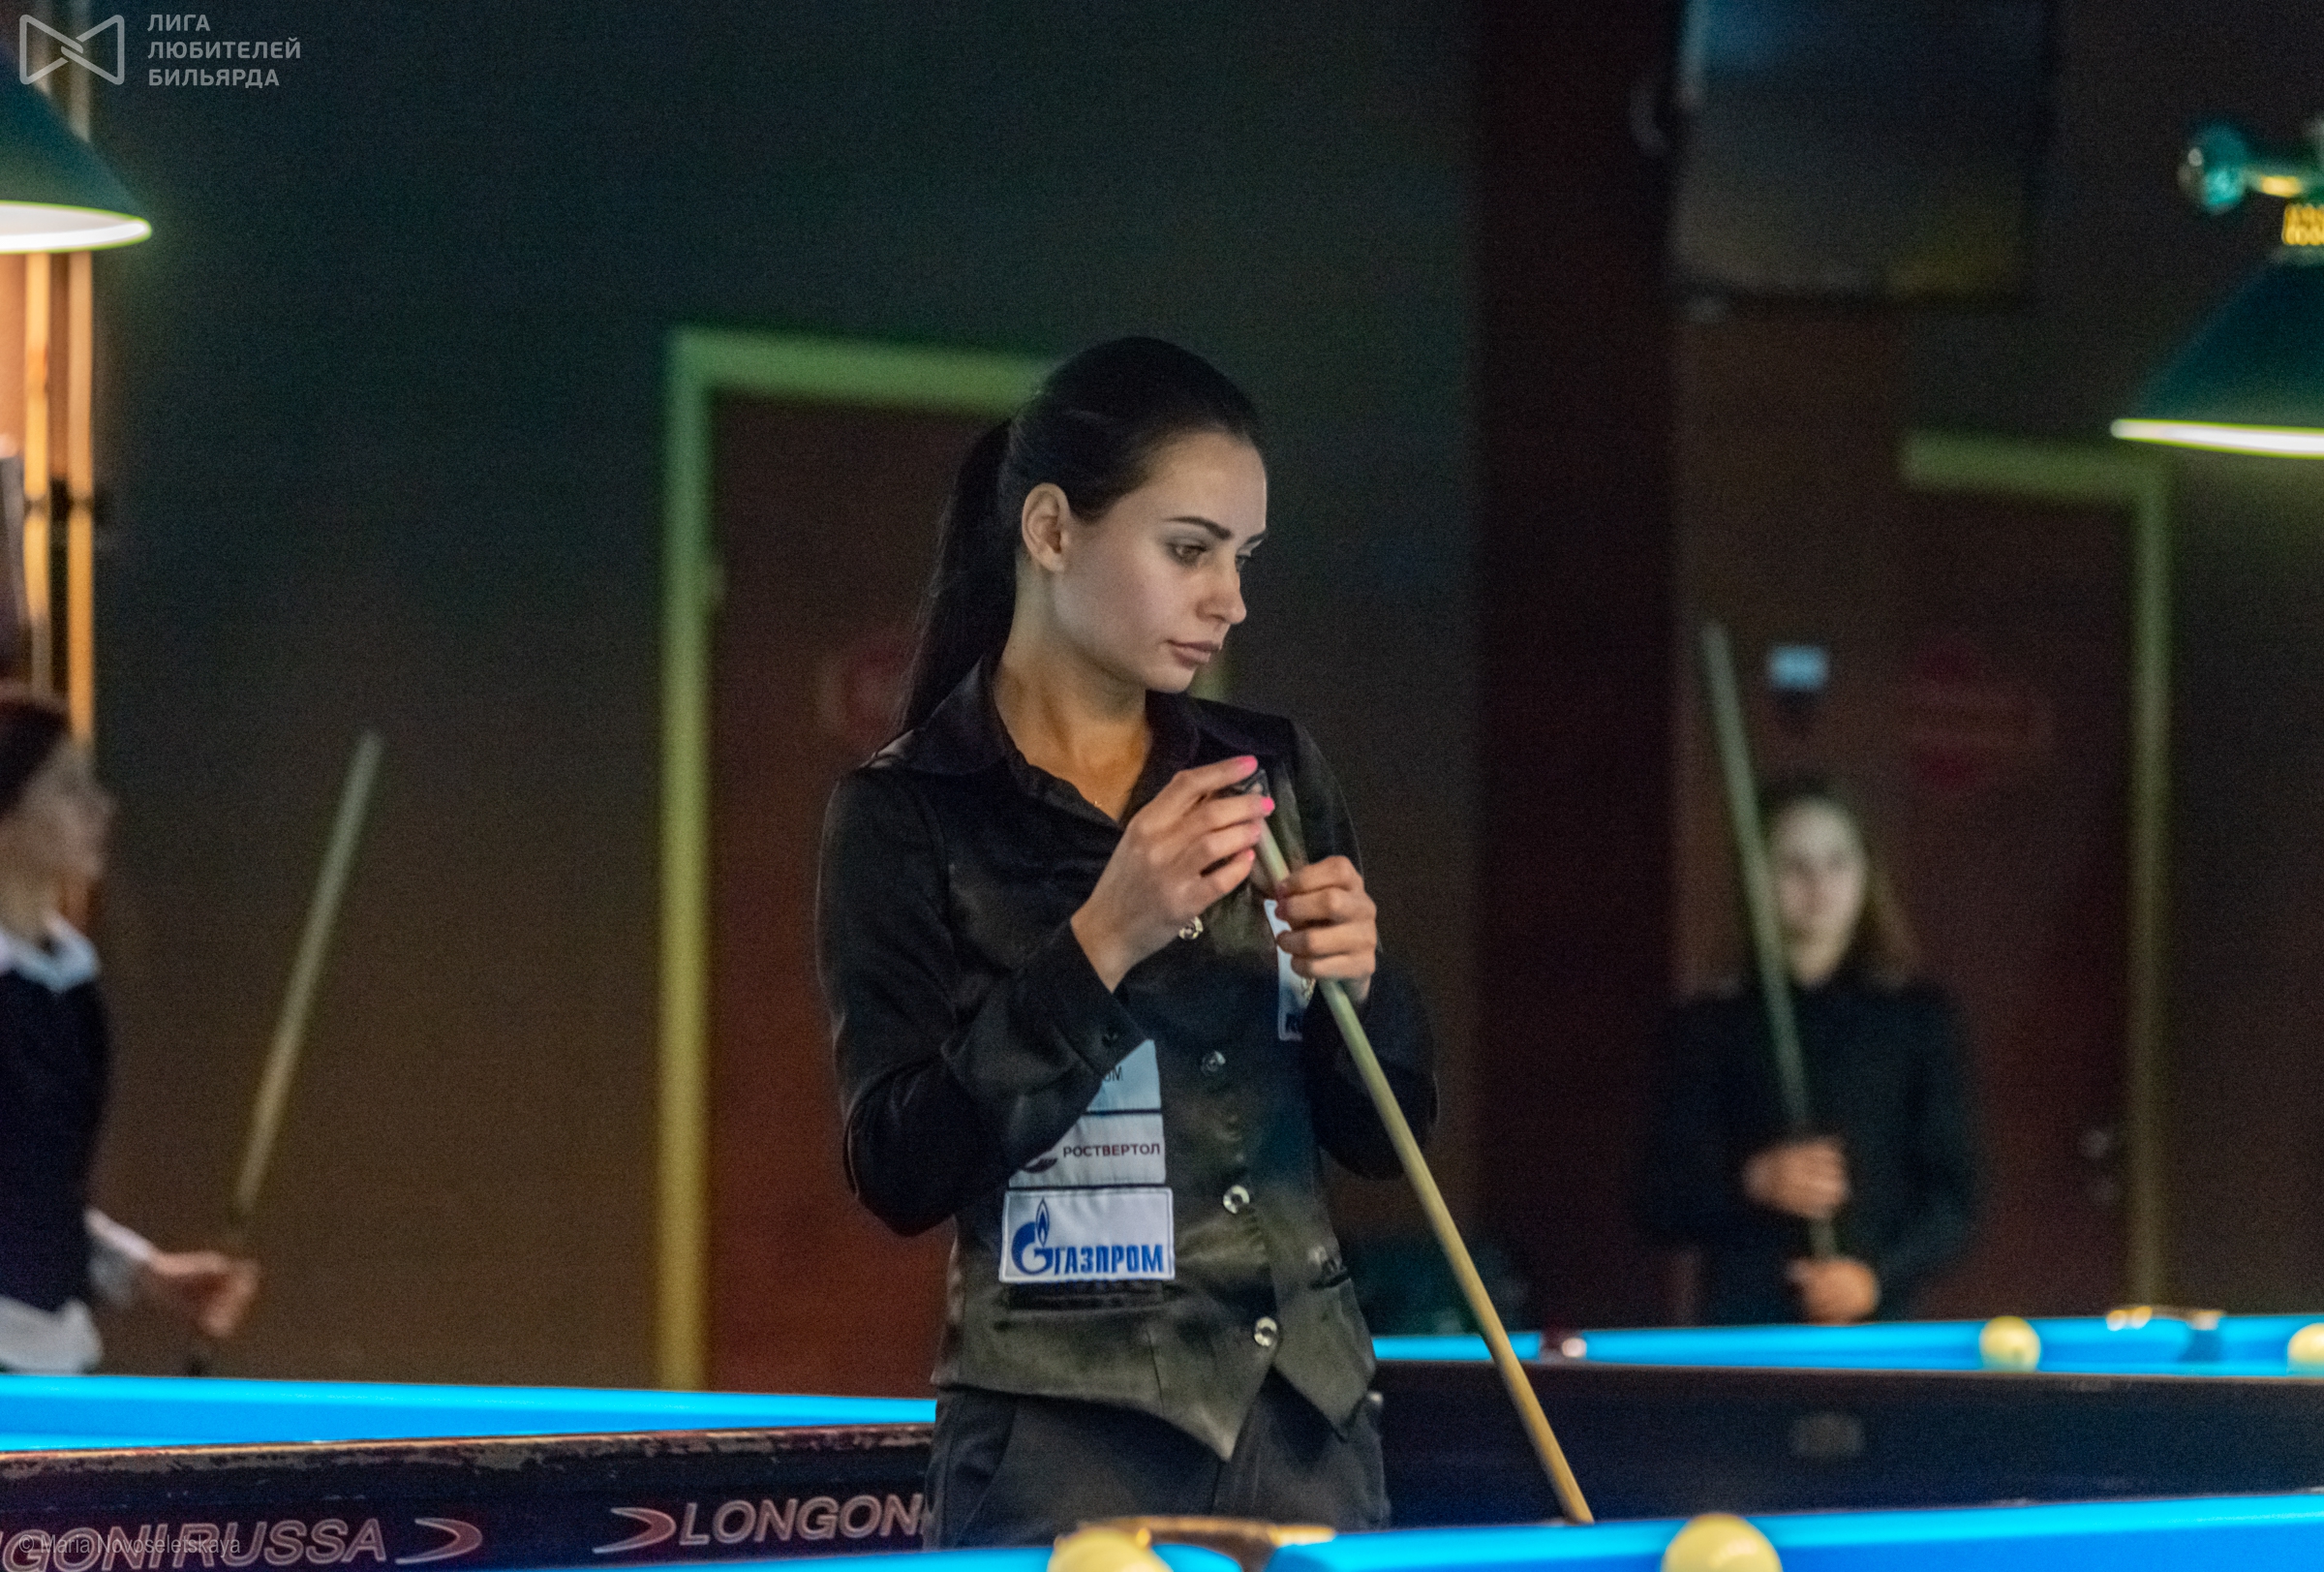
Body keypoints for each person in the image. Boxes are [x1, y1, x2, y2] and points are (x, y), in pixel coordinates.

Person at [816, 337, 1435, 1547]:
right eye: (1190, 550)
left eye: (1244, 558)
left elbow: (1382, 1136)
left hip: (1304, 1430)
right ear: (1051, 531)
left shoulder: (1269, 772)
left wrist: (1363, 987)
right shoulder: (908, 813)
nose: (1230, 600)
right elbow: (897, 1168)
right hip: (1060, 1446)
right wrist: (1100, 942)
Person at [1640, 779, 1978, 1325]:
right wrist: (1752, 1180)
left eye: (1837, 863)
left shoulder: (1918, 1018)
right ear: (1755, 879)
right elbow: (1655, 1198)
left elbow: (1954, 1199)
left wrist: (1874, 1278)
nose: (1819, 885)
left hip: (1878, 1330)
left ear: (1866, 873)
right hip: (1747, 1328)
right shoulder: (1709, 1022)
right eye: (1793, 866)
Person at [0, 690, 260, 1372]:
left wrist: (145, 1271)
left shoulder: (68, 984)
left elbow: (33, 1192)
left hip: (51, 1361)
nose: (101, 808)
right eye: (68, 787)